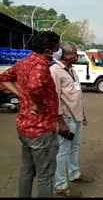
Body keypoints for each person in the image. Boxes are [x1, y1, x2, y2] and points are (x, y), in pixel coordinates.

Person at [0, 31, 60, 197]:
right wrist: (38, 104)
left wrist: (20, 94)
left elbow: (4, 78)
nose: (57, 51)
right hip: (41, 129)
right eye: (56, 47)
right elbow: (35, 87)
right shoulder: (40, 65)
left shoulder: (25, 62)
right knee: (45, 176)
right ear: (48, 49)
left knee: (27, 170)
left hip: (25, 127)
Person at [50, 41, 93, 197]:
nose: (75, 57)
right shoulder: (55, 71)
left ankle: (74, 174)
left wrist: (83, 115)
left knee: (74, 147)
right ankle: (60, 185)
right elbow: (55, 99)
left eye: (75, 54)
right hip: (65, 119)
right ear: (62, 55)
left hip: (77, 117)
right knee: (62, 152)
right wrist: (60, 123)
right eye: (72, 54)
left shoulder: (71, 70)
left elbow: (76, 94)